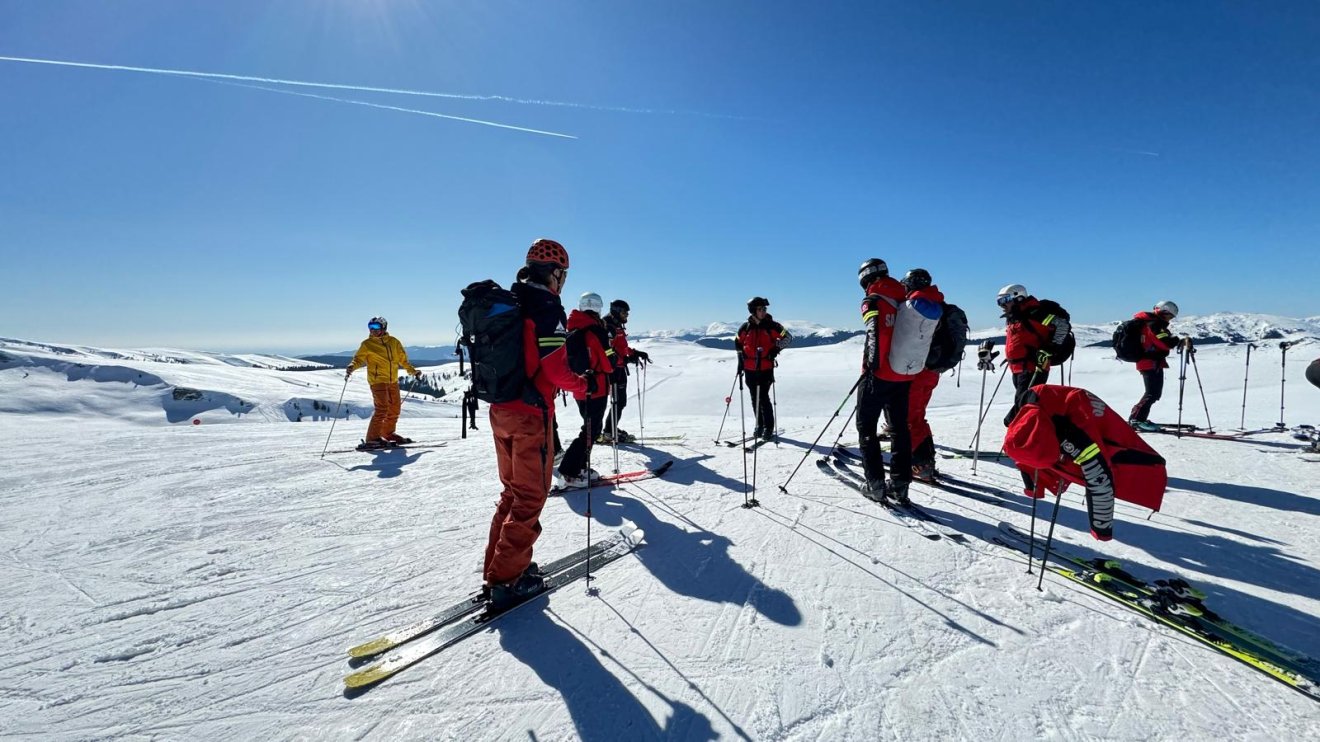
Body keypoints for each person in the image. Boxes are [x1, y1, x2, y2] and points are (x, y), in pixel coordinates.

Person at [482, 239, 590, 608]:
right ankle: (507, 580)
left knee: (512, 494)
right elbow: (556, 368)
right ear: (554, 273)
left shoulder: (513, 300)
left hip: (500, 410)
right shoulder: (545, 306)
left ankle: (498, 568)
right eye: (563, 274)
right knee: (529, 497)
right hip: (530, 416)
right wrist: (583, 385)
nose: (563, 281)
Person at [1003, 385, 1168, 541]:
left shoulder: (1074, 434)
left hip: (1103, 430)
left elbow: (1099, 477)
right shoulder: (1022, 413)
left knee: (1113, 466)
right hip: (1056, 413)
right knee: (1035, 448)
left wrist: (1101, 530)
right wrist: (1032, 487)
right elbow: (1019, 443)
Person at [855, 258, 926, 504]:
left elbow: (875, 333)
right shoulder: (904, 300)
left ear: (865, 278)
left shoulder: (873, 300)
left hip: (879, 375)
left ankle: (874, 484)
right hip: (903, 375)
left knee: (866, 428)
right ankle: (900, 485)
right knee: (899, 430)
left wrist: (871, 368)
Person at [900, 269, 956, 483]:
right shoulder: (938, 303)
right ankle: (926, 462)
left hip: (917, 370)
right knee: (917, 416)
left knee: (910, 418)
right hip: (932, 371)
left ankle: (921, 466)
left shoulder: (917, 304)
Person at [557, 292, 614, 488]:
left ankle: (579, 467)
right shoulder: (595, 331)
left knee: (589, 428)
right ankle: (569, 471)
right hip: (596, 388)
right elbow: (608, 364)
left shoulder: (572, 328)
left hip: (579, 387)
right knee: (591, 430)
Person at [997, 284, 1073, 425]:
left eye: (1005, 300)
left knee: (1023, 407)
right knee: (1027, 404)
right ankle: (1034, 431)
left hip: (1034, 367)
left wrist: (1050, 348)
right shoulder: (1016, 316)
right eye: (999, 301)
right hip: (1018, 368)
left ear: (1018, 297)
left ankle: (1017, 430)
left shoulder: (1034, 313)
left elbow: (1062, 326)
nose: (1001, 305)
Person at [345, 316, 421, 450]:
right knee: (382, 408)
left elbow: (403, 360)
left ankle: (388, 433)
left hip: (392, 380)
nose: (373, 330)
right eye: (370, 327)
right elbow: (358, 359)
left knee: (395, 408)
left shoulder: (394, 342)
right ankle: (372, 439)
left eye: (376, 327)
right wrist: (352, 366)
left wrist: (413, 371)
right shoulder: (367, 344)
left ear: (384, 328)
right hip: (377, 380)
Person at [735, 297, 793, 440]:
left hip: (766, 368)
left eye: (764, 309)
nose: (763, 311)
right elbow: (737, 341)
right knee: (754, 398)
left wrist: (776, 349)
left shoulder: (773, 326)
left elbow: (788, 337)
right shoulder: (745, 327)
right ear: (753, 311)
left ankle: (768, 427)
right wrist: (740, 359)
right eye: (760, 309)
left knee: (763, 397)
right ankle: (759, 425)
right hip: (749, 369)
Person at [1127, 300, 1182, 431]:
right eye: (1170, 316)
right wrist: (1177, 341)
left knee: (1153, 393)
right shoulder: (1154, 324)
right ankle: (1136, 419)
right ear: (1164, 312)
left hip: (1150, 362)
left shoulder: (1151, 322)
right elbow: (1165, 343)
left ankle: (1138, 418)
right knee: (1152, 393)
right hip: (1150, 362)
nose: (1170, 319)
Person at [600, 299, 650, 443]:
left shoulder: (617, 325)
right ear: (616, 311)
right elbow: (607, 351)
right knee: (618, 402)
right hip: (614, 370)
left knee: (620, 402)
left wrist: (634, 353)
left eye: (627, 313)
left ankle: (610, 429)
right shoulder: (609, 326)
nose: (627, 315)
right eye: (624, 312)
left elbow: (621, 347)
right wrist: (625, 359)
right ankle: (609, 432)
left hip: (619, 369)